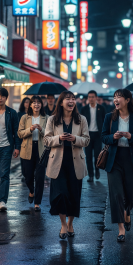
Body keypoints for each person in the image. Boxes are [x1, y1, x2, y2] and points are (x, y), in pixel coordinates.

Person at [101, 89, 133, 243]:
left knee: (131, 193)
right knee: (116, 194)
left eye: (119, 97)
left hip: (131, 158)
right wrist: (112, 137)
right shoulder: (110, 117)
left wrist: (130, 136)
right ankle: (121, 228)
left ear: (127, 100)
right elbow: (103, 136)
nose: (116, 99)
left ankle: (127, 212)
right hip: (114, 159)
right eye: (114, 97)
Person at [44, 91, 90, 239]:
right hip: (58, 162)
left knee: (74, 195)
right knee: (61, 195)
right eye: (67, 99)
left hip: (75, 162)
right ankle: (63, 225)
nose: (71, 101)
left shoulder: (81, 119)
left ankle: (70, 223)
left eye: (73, 99)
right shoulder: (52, 119)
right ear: (61, 102)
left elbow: (86, 140)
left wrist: (75, 138)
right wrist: (59, 138)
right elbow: (46, 140)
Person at [0, 88, 21, 212]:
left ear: (6, 98)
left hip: (7, 147)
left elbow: (16, 132)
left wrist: (17, 147)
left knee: (4, 174)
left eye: (2, 96)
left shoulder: (11, 113)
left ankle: (3, 201)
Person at [18, 96, 47, 211]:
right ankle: (31, 191)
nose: (36, 104)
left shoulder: (47, 118)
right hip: (27, 150)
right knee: (28, 176)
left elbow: (50, 134)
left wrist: (41, 130)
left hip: (41, 149)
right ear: (30, 105)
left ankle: (37, 203)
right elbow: (20, 134)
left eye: (38, 102)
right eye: (34, 103)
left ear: (41, 105)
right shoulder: (24, 118)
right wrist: (29, 130)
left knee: (40, 177)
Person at [81, 90, 106, 182]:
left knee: (97, 155)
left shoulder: (101, 108)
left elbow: (105, 121)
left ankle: (97, 170)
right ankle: (90, 175)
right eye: (89, 97)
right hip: (88, 135)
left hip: (97, 135)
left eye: (92, 97)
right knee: (88, 156)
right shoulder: (84, 109)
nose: (91, 99)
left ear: (96, 98)